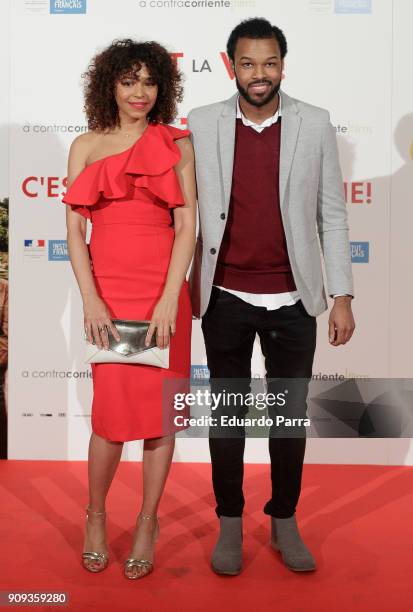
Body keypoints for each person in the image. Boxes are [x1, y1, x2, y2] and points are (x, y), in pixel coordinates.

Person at [187, 18, 355, 575]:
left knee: (288, 417)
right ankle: (230, 522)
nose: (260, 75)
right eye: (248, 63)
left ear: (284, 63)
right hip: (225, 293)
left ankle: (284, 520)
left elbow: (332, 213)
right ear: (229, 63)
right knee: (228, 417)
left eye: (270, 63)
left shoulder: (315, 122)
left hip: (293, 297)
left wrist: (342, 294)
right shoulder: (202, 122)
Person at [62, 38, 196, 579]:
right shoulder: (87, 145)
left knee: (160, 419)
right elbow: (74, 230)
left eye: (149, 81)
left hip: (164, 293)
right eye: (128, 80)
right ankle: (95, 515)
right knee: (111, 418)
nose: (139, 92)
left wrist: (169, 297)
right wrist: (91, 296)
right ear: (109, 86)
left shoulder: (175, 142)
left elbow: (187, 225)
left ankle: (147, 520)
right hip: (109, 293)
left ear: (162, 87)